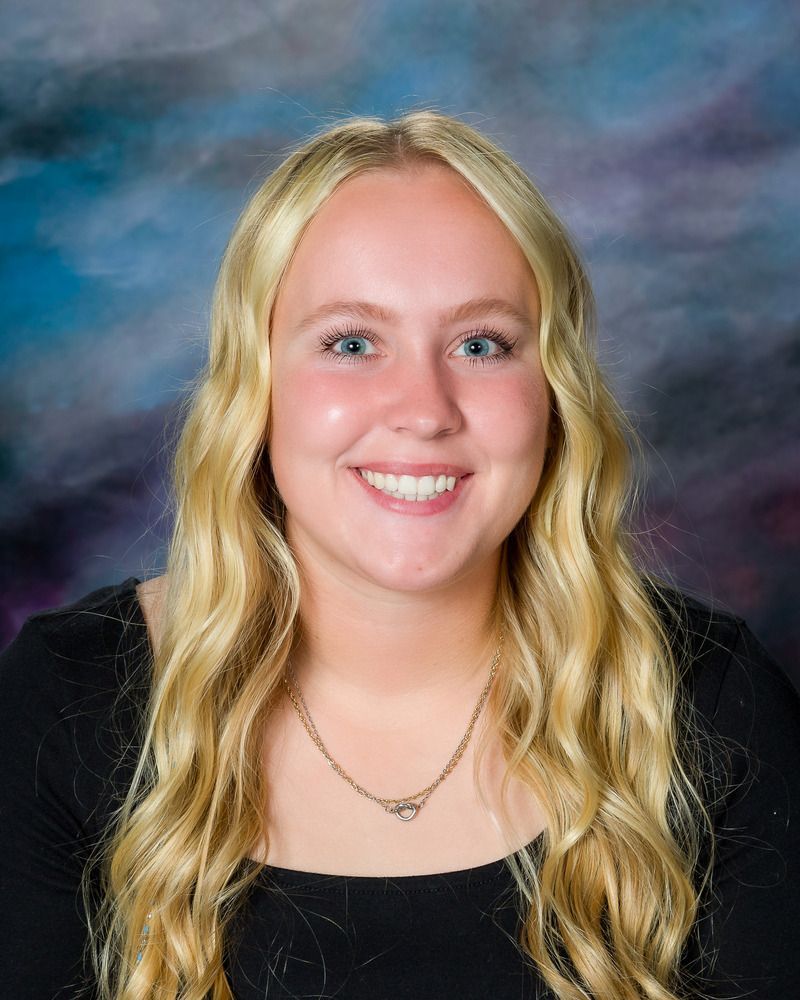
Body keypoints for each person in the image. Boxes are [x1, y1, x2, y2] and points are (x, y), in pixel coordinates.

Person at [1, 110, 798, 1000]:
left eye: (481, 344)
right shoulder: (69, 698)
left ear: (555, 393)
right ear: (255, 387)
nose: (425, 408)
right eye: (350, 343)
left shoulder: (711, 698)